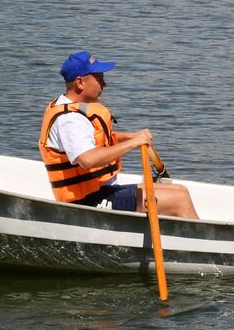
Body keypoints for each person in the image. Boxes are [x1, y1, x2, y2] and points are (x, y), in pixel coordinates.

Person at [38, 51, 199, 218]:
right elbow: (87, 159)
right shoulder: (69, 120)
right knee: (179, 199)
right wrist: (133, 143)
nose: (104, 84)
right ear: (80, 82)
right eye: (99, 78)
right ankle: (201, 242)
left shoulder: (73, 110)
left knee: (181, 191)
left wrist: (131, 136)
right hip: (86, 202)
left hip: (101, 191)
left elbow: (96, 141)